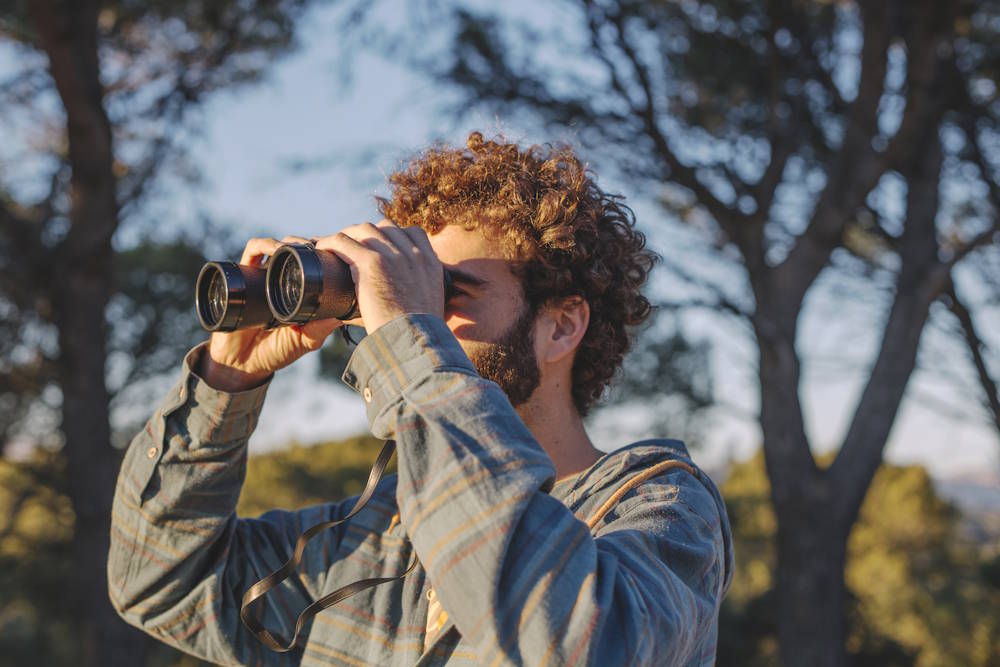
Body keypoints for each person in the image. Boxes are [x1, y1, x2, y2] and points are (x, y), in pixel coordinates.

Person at [108, 132, 734, 666]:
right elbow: (157, 583)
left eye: (446, 291)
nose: (413, 318)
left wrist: (411, 343)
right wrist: (226, 385)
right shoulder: (368, 542)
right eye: (407, 289)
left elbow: (568, 643)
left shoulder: (659, 510)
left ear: (562, 326)